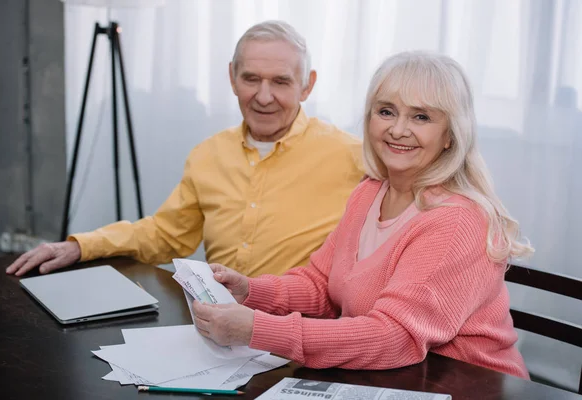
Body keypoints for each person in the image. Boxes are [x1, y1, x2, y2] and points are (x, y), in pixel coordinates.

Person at [191, 51, 534, 379]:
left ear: (450, 135)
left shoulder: (456, 220)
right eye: (386, 111)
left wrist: (257, 329)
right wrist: (249, 290)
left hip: (465, 386)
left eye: (421, 116)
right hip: (389, 378)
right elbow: (321, 285)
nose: (398, 130)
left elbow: (394, 337)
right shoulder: (370, 192)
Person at [6, 21, 363, 278]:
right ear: (231, 77)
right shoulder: (208, 155)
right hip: (214, 325)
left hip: (300, 331)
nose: (264, 96)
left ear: (307, 85)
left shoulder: (352, 157)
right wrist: (81, 245)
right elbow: (166, 235)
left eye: (281, 82)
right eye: (251, 79)